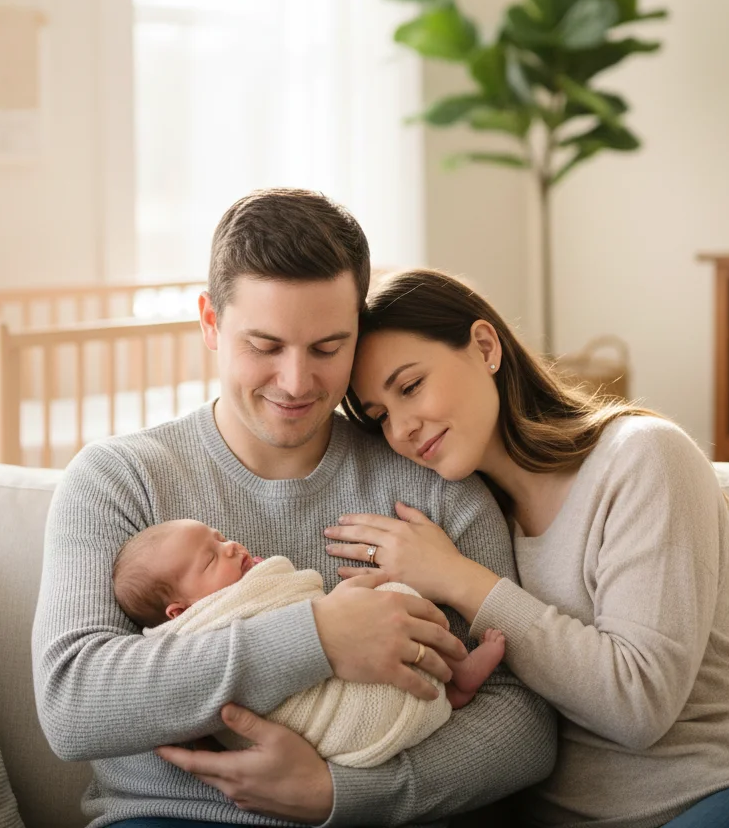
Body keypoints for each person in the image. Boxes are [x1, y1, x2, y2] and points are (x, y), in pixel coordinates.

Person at [31, 189, 556, 828]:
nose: (297, 382)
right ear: (210, 323)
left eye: (328, 348)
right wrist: (320, 637)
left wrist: (344, 793)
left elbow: (525, 723)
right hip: (173, 818)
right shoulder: (118, 480)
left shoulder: (432, 479)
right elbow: (73, 703)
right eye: (265, 345)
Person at [334, 267, 729, 828]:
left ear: (484, 346)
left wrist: (459, 579)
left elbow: (639, 703)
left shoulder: (643, 459)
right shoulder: (462, 519)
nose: (402, 428)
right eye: (380, 416)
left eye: (410, 386)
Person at [111, 518, 508, 768]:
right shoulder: (197, 634)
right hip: (324, 728)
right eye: (211, 560)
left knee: (391, 602)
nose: (230, 546)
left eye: (220, 538)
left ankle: (453, 687)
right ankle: (453, 686)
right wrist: (319, 632)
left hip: (366, 775)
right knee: (394, 593)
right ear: (180, 614)